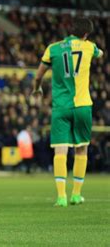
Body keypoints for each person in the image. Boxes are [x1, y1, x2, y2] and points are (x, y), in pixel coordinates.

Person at [32, 17, 103, 207]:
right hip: (82, 106)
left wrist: (37, 88)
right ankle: (76, 195)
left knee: (60, 151)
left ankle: (61, 196)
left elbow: (38, 75)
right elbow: (100, 53)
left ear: (70, 30)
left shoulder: (53, 48)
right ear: (86, 34)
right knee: (81, 149)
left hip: (60, 107)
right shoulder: (89, 47)